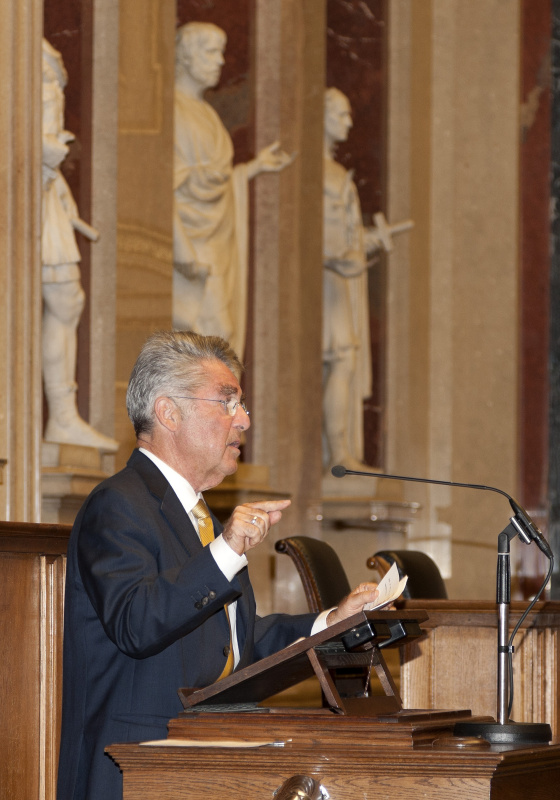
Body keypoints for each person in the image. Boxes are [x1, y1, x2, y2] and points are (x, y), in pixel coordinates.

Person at [56, 330, 379, 800]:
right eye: (227, 401)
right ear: (169, 412)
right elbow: (138, 624)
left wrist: (332, 623)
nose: (244, 420)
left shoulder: (200, 517)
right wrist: (225, 551)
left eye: (242, 404)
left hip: (195, 768)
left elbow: (237, 644)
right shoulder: (118, 505)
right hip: (132, 774)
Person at [173, 22, 294, 357]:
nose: (221, 61)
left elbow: (216, 178)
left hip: (215, 241)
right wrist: (181, 248)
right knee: (208, 339)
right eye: (211, 52)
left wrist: (252, 169)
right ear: (185, 57)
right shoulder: (172, 112)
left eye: (221, 52)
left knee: (216, 339)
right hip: (193, 247)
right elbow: (166, 189)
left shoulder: (207, 114)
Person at [41, 38, 118, 451]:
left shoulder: (36, 54)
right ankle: (61, 415)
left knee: (68, 302)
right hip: (30, 195)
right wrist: (49, 148)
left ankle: (63, 415)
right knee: (64, 301)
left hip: (45, 194)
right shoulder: (22, 56)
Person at [322, 87, 385, 473]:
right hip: (326, 283)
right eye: (341, 115)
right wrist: (340, 256)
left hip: (336, 280)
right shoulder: (321, 173)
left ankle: (340, 451)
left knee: (342, 362)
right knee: (340, 362)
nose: (348, 122)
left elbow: (345, 235)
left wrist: (367, 242)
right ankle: (338, 453)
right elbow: (317, 235)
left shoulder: (335, 173)